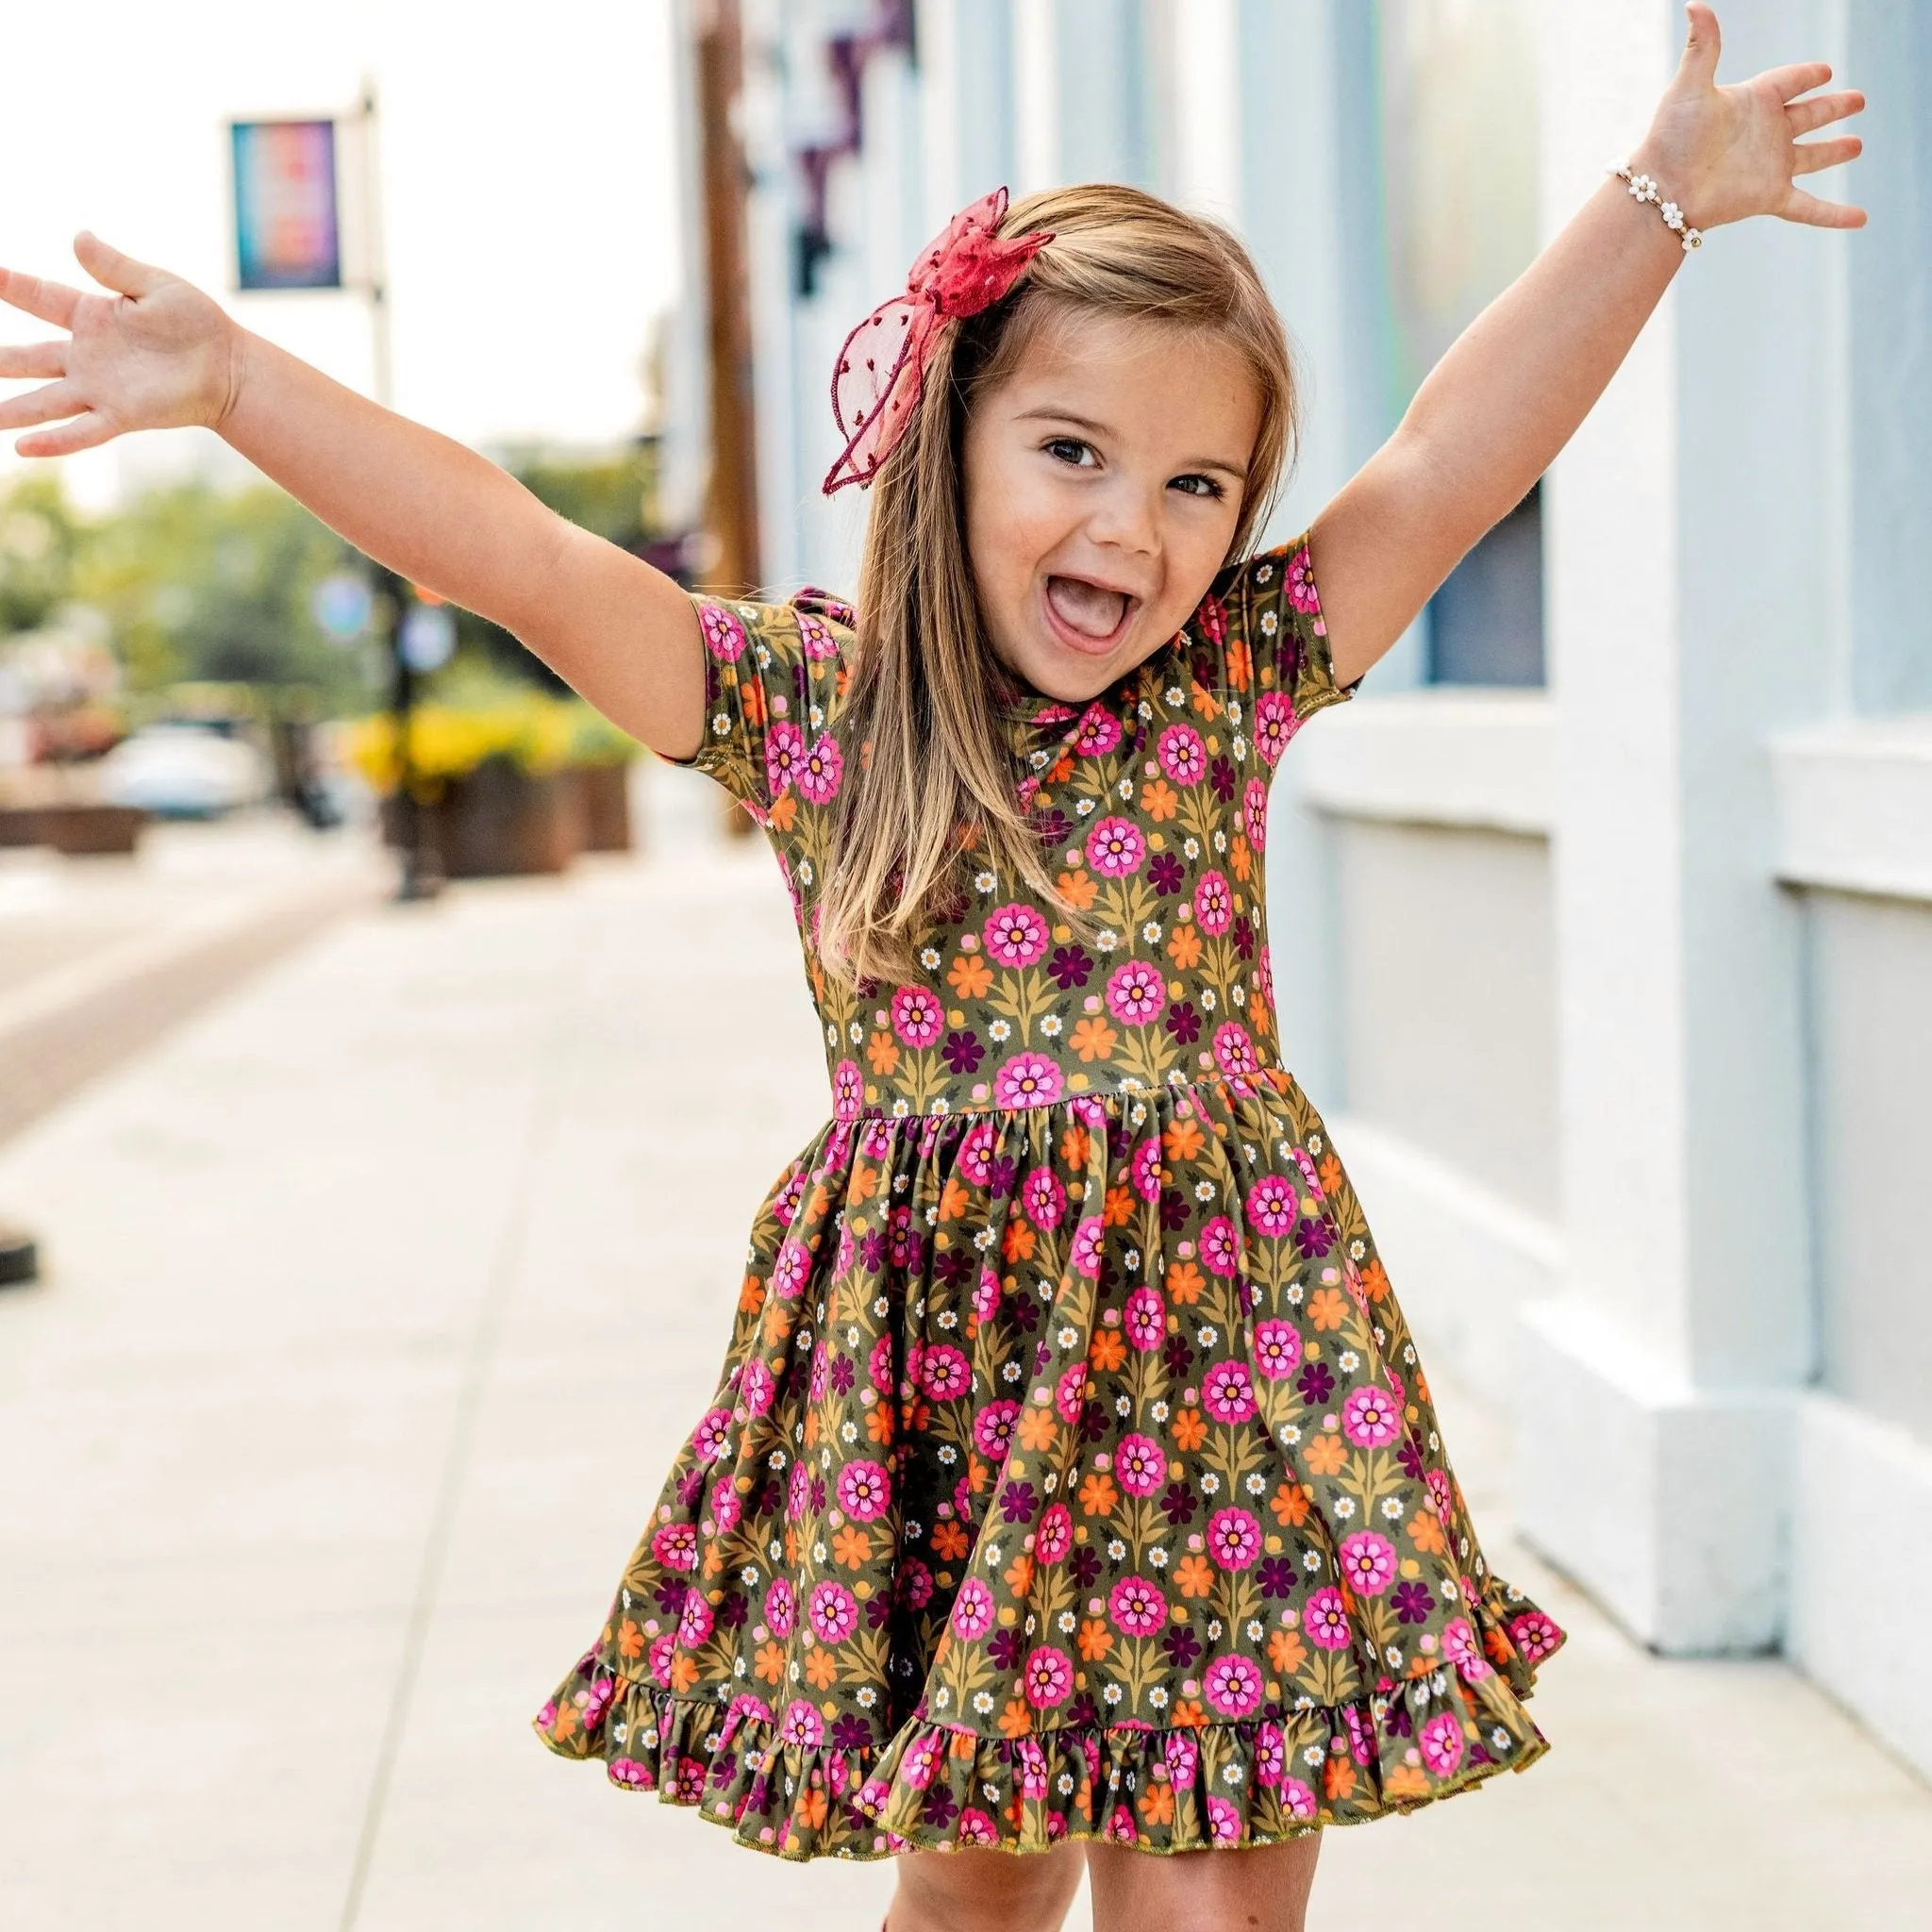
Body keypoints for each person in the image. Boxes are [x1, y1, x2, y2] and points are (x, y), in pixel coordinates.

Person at [0, 9, 1862, 1928]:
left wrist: (1659, 205)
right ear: (945, 434)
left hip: (1221, 1374)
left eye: (1197, 484)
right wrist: (235, 382)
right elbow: (520, 561)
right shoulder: (812, 709)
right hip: (947, 1376)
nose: (1130, 527)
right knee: (973, 1893)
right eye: (1072, 450)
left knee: (1201, 1905)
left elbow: (1453, 455)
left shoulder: (1223, 682)